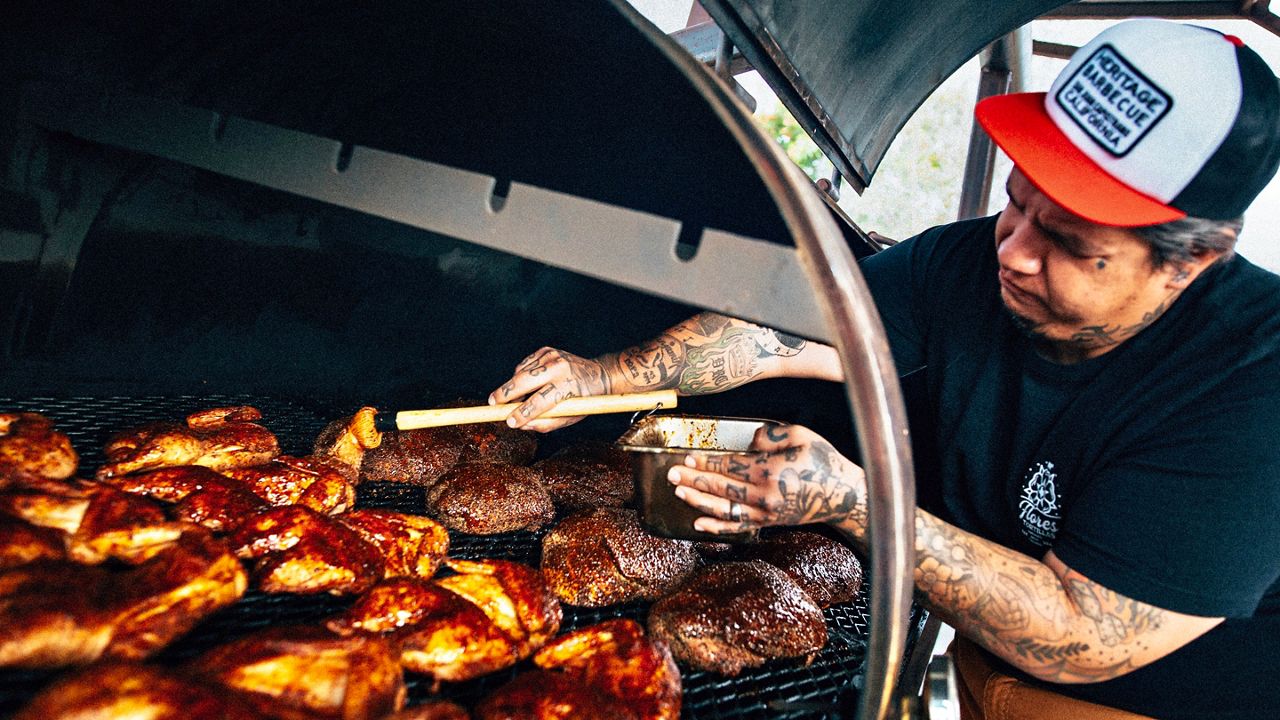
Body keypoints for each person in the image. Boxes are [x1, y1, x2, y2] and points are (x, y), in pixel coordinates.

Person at [490, 19, 1280, 720]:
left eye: (1071, 243)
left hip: (1154, 698)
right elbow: (779, 334)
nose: (1013, 251)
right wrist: (604, 377)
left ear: (1193, 260)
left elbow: (1084, 633)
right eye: (1018, 201)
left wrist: (855, 502)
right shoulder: (968, 263)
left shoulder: (1252, 381)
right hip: (988, 654)